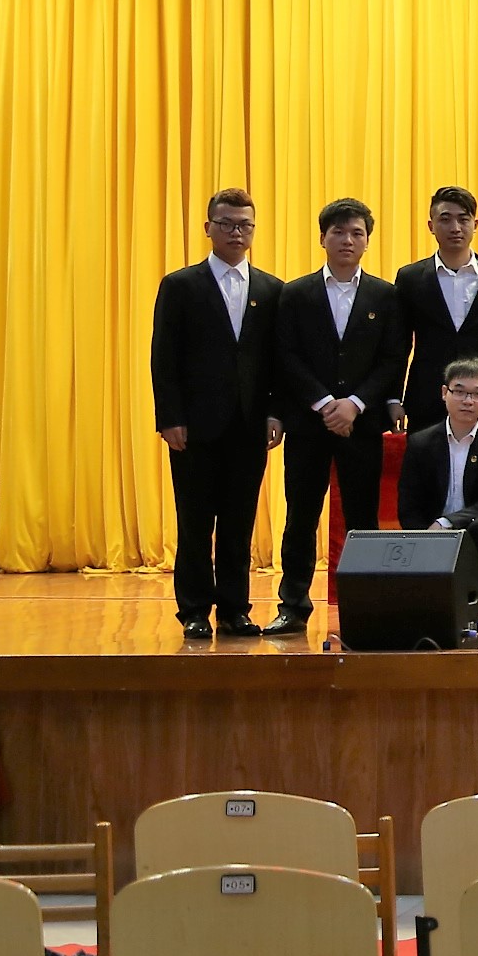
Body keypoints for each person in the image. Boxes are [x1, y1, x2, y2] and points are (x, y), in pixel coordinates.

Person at [149, 187, 284, 639]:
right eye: (226, 224)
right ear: (208, 228)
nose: (236, 233)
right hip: (194, 426)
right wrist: (170, 418)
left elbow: (277, 361)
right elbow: (164, 357)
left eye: (245, 225)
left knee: (238, 524)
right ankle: (192, 610)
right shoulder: (181, 285)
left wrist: (275, 413)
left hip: (249, 426)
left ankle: (233, 610)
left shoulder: (271, 289)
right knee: (194, 522)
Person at [274, 197, 403, 637]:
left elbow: (392, 358)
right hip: (309, 424)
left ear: (367, 241)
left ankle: (368, 607)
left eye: (356, 233)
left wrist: (356, 404)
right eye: (338, 232)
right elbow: (285, 354)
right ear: (322, 238)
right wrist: (325, 402)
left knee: (363, 519)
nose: (347, 240)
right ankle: (293, 606)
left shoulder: (386, 295)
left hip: (362, 425)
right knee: (301, 516)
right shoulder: (295, 293)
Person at [394, 187, 478, 431]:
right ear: (431, 226)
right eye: (445, 219)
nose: (455, 227)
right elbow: (398, 345)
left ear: (475, 224)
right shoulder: (410, 278)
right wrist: (393, 398)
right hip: (426, 395)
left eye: (463, 219)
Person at [394, 356, 478, 580]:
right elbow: (409, 503)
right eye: (459, 391)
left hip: (475, 531)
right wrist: (424, 536)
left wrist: (447, 523)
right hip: (429, 533)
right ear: (444, 393)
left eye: (477, 394)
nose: (468, 401)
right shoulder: (421, 443)